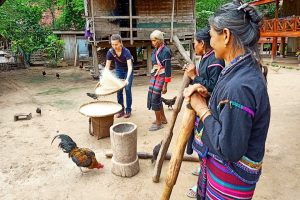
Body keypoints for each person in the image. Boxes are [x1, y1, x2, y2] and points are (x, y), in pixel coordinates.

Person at [184, 1, 270, 199]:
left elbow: (229, 148)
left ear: (226, 35)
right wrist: (208, 93)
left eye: (212, 36)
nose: (210, 42)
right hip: (224, 177)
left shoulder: (239, 86)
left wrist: (201, 108)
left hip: (230, 181)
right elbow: (228, 110)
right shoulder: (242, 71)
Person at [184, 27, 225, 198]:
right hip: (202, 109)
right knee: (201, 145)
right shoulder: (206, 58)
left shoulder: (215, 61)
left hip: (209, 112)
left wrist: (194, 77)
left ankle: (202, 183)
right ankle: (202, 167)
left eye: (195, 44)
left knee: (206, 146)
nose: (194, 47)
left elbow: (214, 87)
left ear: (202, 43)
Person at [147, 30, 172, 131]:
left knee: (155, 98)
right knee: (152, 95)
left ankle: (158, 122)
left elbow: (168, 69)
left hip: (162, 75)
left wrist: (166, 85)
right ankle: (163, 118)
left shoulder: (166, 51)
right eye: (152, 41)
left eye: (154, 40)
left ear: (160, 40)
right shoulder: (155, 50)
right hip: (155, 74)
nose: (153, 43)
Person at [105, 34, 134, 118]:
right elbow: (107, 67)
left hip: (128, 71)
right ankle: (121, 110)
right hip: (119, 70)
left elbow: (130, 67)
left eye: (116, 44)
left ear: (121, 43)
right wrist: (104, 79)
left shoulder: (126, 52)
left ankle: (128, 110)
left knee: (127, 89)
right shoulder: (110, 52)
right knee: (119, 90)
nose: (114, 46)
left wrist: (127, 79)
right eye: (112, 44)